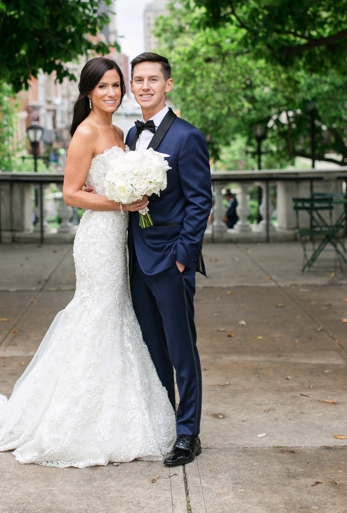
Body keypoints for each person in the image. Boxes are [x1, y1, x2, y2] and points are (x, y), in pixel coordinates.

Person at [0, 57, 176, 467]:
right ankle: (71, 418)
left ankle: (112, 408)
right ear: (89, 92)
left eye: (116, 85)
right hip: (98, 237)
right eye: (103, 87)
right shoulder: (86, 132)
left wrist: (134, 199)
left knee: (115, 314)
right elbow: (72, 194)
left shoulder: (118, 130)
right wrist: (122, 201)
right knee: (96, 313)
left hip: (120, 236)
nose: (112, 93)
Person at [126, 52, 214, 467]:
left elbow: (201, 202)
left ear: (168, 85)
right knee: (152, 346)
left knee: (182, 349)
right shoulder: (130, 135)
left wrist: (182, 257)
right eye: (138, 80)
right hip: (137, 261)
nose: (145, 86)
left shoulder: (187, 136)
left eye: (153, 80)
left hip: (170, 261)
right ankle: (164, 422)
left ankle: (187, 433)